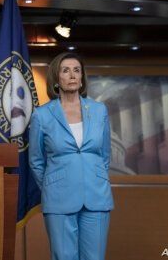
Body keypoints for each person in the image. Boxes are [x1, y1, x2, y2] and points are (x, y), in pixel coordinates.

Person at [29, 52, 114, 260]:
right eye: (65, 70)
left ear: (82, 77)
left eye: (77, 70)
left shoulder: (99, 110)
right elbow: (36, 160)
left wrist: (93, 177)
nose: (72, 75)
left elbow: (104, 155)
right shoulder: (42, 115)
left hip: (96, 196)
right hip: (58, 199)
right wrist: (53, 185)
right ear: (56, 78)